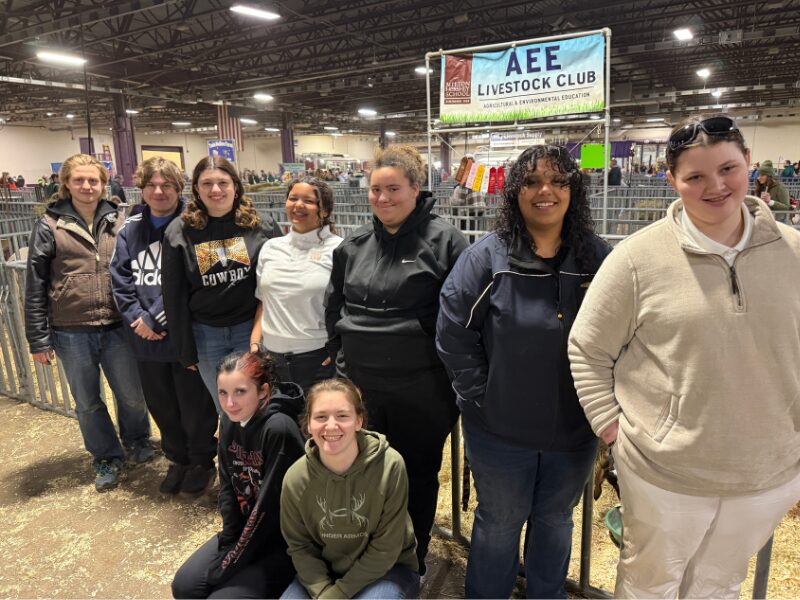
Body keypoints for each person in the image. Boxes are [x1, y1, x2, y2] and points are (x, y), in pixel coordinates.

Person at [568, 114, 800, 599]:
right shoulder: (636, 259)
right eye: (695, 176)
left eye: (728, 169)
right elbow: (588, 347)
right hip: (666, 472)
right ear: (672, 181)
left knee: (720, 582)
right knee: (649, 583)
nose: (716, 186)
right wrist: (611, 427)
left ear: (748, 164)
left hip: (768, 471)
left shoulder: (794, 252)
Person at [436, 145, 610, 599]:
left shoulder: (597, 260)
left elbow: (623, 334)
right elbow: (454, 333)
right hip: (500, 432)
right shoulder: (487, 260)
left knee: (555, 521)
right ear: (515, 192)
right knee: (499, 523)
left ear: (573, 190)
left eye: (557, 181)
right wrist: (482, 398)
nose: (544, 191)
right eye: (531, 181)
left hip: (574, 430)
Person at [324, 144, 468, 571]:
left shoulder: (445, 242)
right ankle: (368, 551)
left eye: (393, 189)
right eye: (375, 190)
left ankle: (410, 558)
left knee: (416, 474)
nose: (383, 198)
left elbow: (463, 316)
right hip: (363, 386)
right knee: (364, 471)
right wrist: (342, 364)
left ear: (415, 189)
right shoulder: (353, 246)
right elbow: (334, 308)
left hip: (422, 389)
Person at [24, 153, 153, 492]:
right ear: (66, 183)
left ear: (103, 183)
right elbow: (35, 283)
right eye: (79, 180)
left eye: (93, 180)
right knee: (87, 400)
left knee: (131, 393)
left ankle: (138, 439)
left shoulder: (119, 220)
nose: (87, 186)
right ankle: (106, 455)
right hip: (71, 329)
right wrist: (38, 339)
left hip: (118, 324)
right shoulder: (49, 225)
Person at [110, 157, 218, 496]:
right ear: (141, 188)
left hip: (186, 335)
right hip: (144, 338)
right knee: (162, 405)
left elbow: (195, 280)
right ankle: (177, 458)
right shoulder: (130, 229)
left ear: (178, 188)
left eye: (167, 185)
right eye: (151, 185)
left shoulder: (196, 224)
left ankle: (201, 460)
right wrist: (137, 318)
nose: (159, 191)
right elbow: (120, 279)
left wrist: (155, 317)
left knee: (194, 404)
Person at [172, 347, 305, 599]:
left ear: (263, 391)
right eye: (223, 393)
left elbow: (269, 509)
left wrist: (230, 563)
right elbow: (228, 488)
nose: (230, 403)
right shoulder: (229, 420)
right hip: (246, 533)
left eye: (240, 392)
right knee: (185, 586)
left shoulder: (279, 428)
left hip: (282, 543)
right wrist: (229, 542)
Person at [161, 156, 282, 418]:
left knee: (260, 404)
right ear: (196, 188)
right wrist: (184, 350)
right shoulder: (179, 232)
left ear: (235, 186)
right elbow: (173, 295)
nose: (215, 190)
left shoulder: (262, 226)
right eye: (207, 183)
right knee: (228, 408)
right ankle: (233, 445)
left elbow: (279, 282)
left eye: (223, 183)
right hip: (206, 336)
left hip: (251, 331)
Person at [280, 378, 419, 599]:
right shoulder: (295, 478)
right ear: (308, 425)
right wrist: (322, 591)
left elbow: (386, 548)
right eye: (321, 417)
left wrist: (338, 594)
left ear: (358, 421)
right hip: (324, 573)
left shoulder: (390, 465)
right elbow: (300, 546)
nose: (331, 425)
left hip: (387, 571)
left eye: (342, 416)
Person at [250, 177, 342, 392]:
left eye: (308, 201)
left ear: (325, 210)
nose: (298, 205)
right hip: (272, 359)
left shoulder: (339, 249)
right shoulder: (270, 248)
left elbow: (347, 306)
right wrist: (255, 343)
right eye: (293, 198)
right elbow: (264, 301)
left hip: (318, 359)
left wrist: (339, 348)